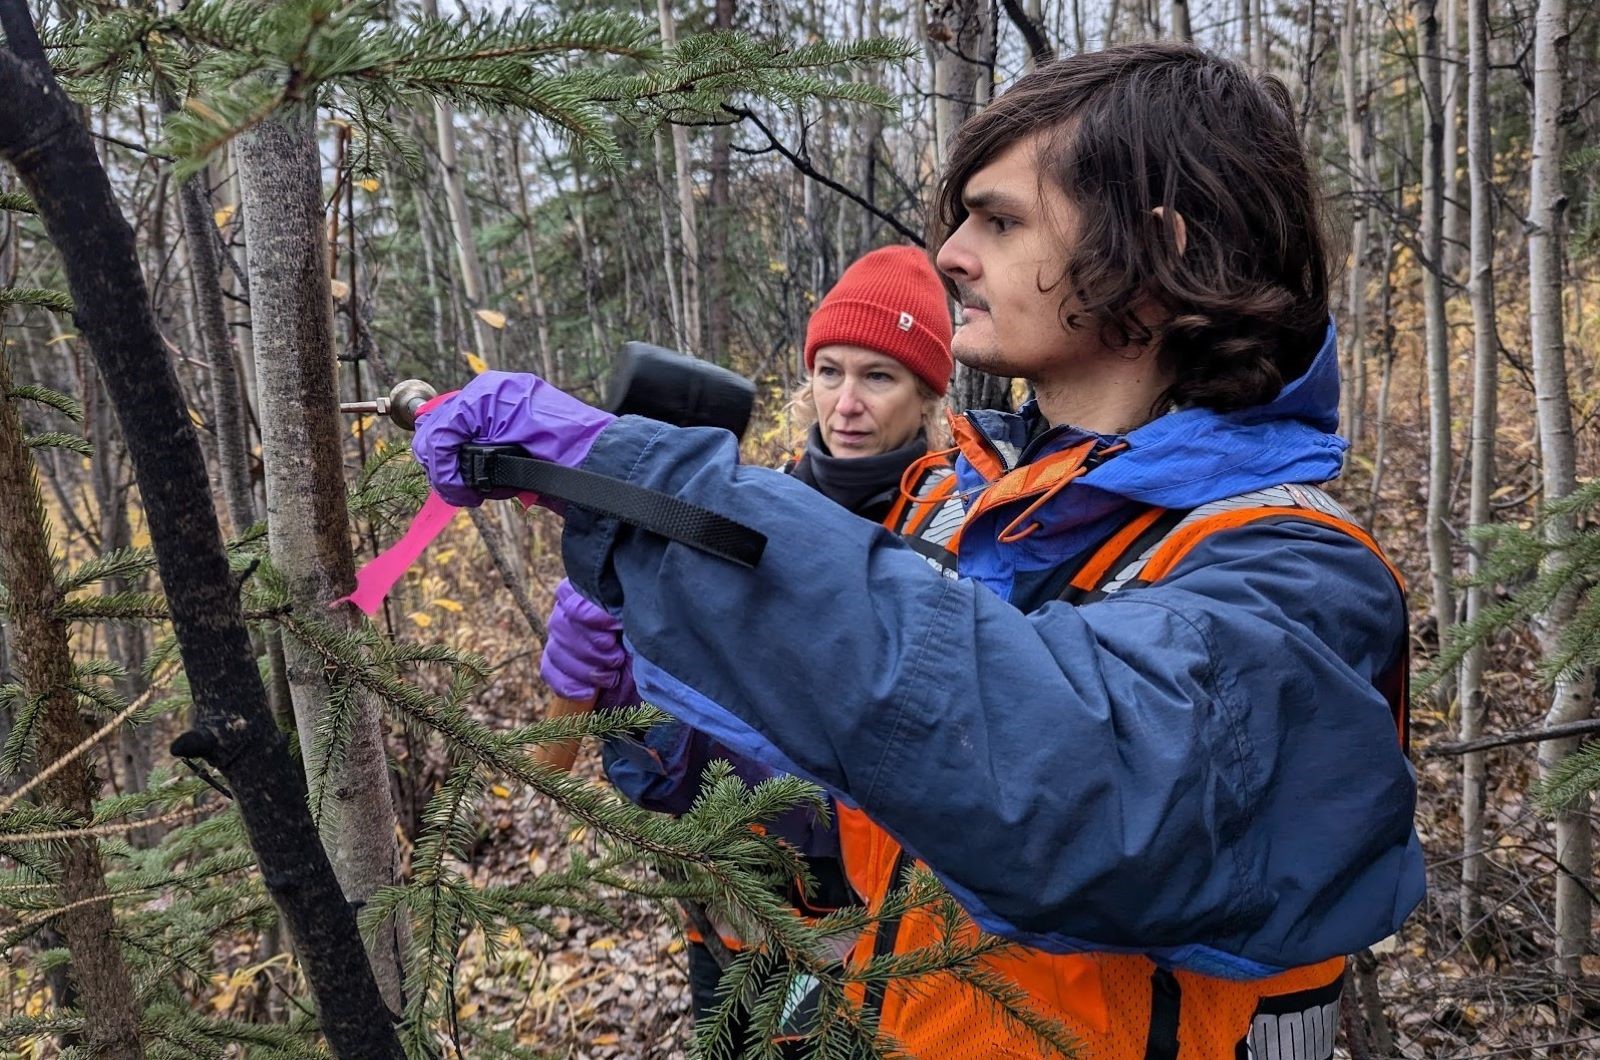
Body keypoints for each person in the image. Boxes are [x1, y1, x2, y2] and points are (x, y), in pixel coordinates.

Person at [415, 41, 1424, 1059]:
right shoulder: (966, 508)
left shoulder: (1295, 572)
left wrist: (641, 488)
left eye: (999, 220)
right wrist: (655, 688)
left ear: (1155, 260)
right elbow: (864, 772)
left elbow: (1080, 777)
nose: (949, 252)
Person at [537, 244, 957, 1036]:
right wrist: (631, 685)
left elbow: (896, 763)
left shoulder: (954, 541)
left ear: (929, 394)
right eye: (830, 371)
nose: (847, 404)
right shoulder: (751, 513)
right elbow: (672, 776)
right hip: (731, 930)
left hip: (885, 956)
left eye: (879, 376)